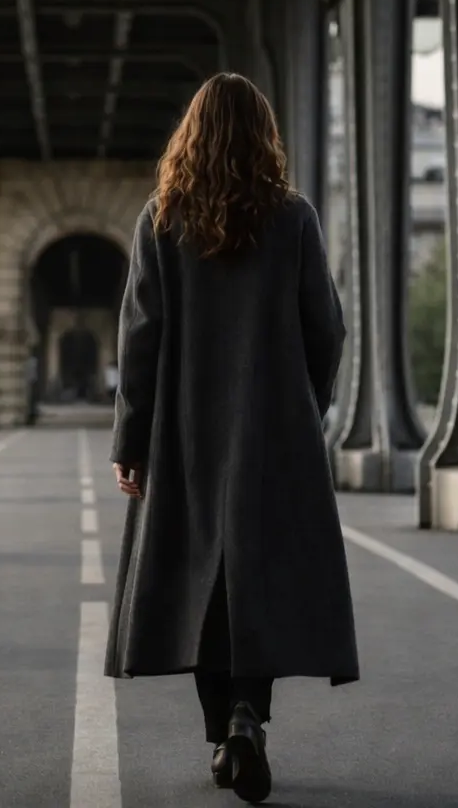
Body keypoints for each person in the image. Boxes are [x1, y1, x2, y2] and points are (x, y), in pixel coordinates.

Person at [104, 72, 358, 804]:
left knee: (197, 580)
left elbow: (140, 339)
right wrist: (306, 403)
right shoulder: (293, 218)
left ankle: (223, 731)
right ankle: (249, 715)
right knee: (260, 575)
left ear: (191, 135)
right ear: (263, 137)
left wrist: (132, 437)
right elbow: (328, 328)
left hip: (184, 435)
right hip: (273, 435)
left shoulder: (161, 219)